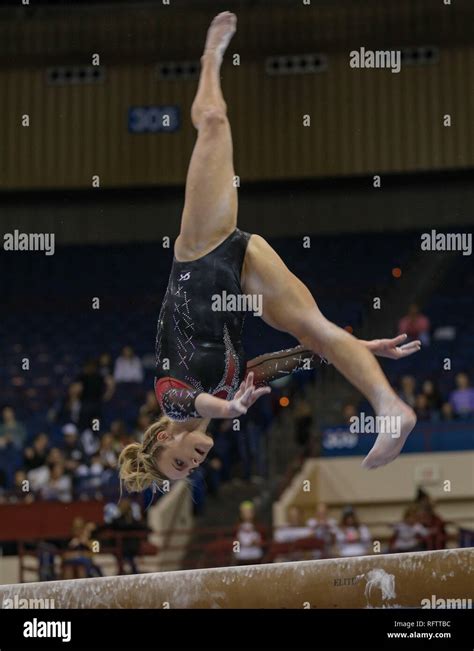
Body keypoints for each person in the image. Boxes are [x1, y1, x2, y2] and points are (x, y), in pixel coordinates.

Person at [118, 12, 421, 493]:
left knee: (214, 123)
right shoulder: (224, 396)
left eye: (178, 466)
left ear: (160, 443)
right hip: (244, 275)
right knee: (321, 332)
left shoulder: (174, 402)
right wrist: (353, 349)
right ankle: (390, 407)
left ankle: (210, 60)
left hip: (202, 251)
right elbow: (280, 364)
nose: (191, 467)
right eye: (188, 474)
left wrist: (228, 409)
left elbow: (195, 404)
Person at [233, 501, 264, 565]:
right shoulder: (237, 527)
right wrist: (236, 552)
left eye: (249, 512)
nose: (247, 514)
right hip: (241, 556)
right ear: (241, 514)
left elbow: (263, 541)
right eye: (244, 512)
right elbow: (235, 542)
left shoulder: (258, 526)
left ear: (253, 513)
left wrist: (257, 543)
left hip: (256, 555)